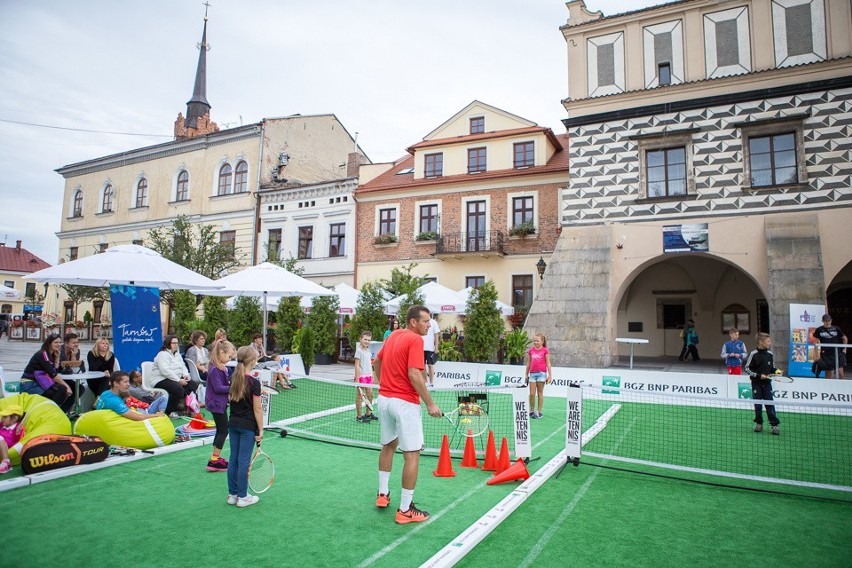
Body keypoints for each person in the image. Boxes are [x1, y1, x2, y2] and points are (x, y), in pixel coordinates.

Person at [373, 305, 442, 524]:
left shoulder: (393, 335)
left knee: (388, 446)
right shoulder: (415, 340)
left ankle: (383, 494)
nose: (429, 325)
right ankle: (405, 510)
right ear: (413, 322)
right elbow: (414, 373)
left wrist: (382, 383)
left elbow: (377, 362)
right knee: (411, 455)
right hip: (404, 404)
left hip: (384, 400)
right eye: (425, 321)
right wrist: (430, 403)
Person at [227, 345, 264, 508]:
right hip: (247, 427)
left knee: (233, 460)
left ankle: (233, 495)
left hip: (233, 424)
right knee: (243, 461)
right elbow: (257, 408)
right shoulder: (254, 383)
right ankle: (242, 497)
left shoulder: (233, 378)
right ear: (253, 361)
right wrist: (261, 430)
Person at [20, 333, 73, 412]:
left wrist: (57, 358)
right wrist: (67, 386)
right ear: (49, 343)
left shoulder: (50, 354)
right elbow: (53, 374)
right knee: (62, 389)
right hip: (29, 384)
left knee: (71, 386)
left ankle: (61, 411)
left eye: (59, 342)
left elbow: (55, 370)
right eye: (56, 342)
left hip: (39, 382)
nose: (58, 344)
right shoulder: (43, 354)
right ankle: (50, 412)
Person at [150, 335, 198, 417]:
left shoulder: (177, 354)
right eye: (173, 343)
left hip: (174, 378)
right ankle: (168, 411)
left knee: (192, 385)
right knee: (178, 388)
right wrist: (178, 380)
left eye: (177, 343)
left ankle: (183, 407)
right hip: (160, 379)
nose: (176, 345)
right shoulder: (162, 354)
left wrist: (186, 375)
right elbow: (165, 371)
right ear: (168, 343)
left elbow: (183, 366)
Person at [206, 340, 235, 472]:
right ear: (221, 353)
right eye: (229, 356)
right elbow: (218, 388)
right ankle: (214, 460)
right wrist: (232, 388)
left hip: (218, 403)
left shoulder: (219, 368)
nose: (229, 360)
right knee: (224, 430)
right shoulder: (215, 369)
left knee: (220, 429)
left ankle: (215, 458)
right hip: (216, 404)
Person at [745, 332, 781, 435]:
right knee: (758, 404)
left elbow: (772, 367)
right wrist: (758, 375)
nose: (770, 343)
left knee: (770, 403)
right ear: (761, 342)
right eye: (768, 341)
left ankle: (774, 425)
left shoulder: (770, 354)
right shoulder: (753, 354)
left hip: (767, 383)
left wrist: (776, 371)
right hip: (756, 383)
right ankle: (759, 424)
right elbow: (747, 368)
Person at [96, 371, 166, 420]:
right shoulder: (114, 401)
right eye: (125, 382)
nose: (128, 384)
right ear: (115, 383)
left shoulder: (106, 393)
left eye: (128, 382)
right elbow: (138, 418)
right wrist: (157, 415)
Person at [525, 333, 553, 419]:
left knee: (540, 393)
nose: (535, 342)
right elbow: (528, 363)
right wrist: (526, 374)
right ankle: (532, 410)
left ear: (542, 341)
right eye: (534, 341)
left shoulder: (545, 350)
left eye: (537, 341)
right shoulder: (531, 351)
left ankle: (539, 412)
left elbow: (548, 363)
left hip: (542, 374)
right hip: (532, 374)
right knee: (532, 393)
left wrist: (550, 375)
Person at [813, 314, 847, 379]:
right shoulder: (819, 330)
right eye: (826, 321)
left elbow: (845, 338)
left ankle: (839, 388)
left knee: (841, 374)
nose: (828, 322)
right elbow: (816, 342)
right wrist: (816, 354)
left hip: (837, 354)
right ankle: (827, 388)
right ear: (822, 321)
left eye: (829, 320)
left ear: (831, 321)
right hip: (826, 354)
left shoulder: (836, 328)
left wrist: (844, 349)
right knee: (828, 375)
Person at [58, 331, 86, 407]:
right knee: (64, 389)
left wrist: (73, 356)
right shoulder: (59, 350)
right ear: (66, 343)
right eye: (73, 343)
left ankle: (64, 410)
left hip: (68, 376)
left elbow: (74, 367)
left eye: (77, 342)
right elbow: (60, 366)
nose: (76, 344)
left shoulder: (76, 351)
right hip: (57, 376)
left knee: (80, 388)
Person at [354, 330, 377, 423]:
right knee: (360, 396)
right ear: (361, 339)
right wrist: (357, 378)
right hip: (361, 377)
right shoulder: (358, 351)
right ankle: (359, 416)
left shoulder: (368, 350)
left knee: (370, 395)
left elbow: (370, 364)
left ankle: (368, 414)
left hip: (369, 376)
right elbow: (356, 365)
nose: (367, 341)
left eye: (368, 340)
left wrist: (372, 375)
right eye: (365, 339)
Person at [0, 404, 25, 474]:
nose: (2, 419)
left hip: (6, 448)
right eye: (2, 416)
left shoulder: (18, 428)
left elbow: (18, 443)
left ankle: (6, 463)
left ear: (14, 418)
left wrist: (18, 433)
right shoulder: (1, 425)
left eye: (5, 417)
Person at [422, 315, 441, 388]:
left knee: (430, 365)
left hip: (430, 348)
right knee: (422, 366)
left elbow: (436, 335)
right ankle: (425, 382)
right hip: (421, 348)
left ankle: (431, 383)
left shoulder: (433, 322)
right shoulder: (421, 322)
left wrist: (436, 347)